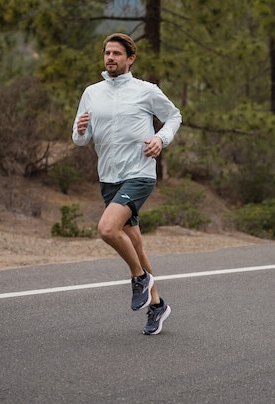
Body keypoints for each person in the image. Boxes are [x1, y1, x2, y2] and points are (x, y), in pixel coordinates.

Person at [72, 33, 181, 335]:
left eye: (117, 53)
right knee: (134, 242)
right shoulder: (92, 92)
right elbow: (80, 138)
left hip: (140, 173)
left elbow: (173, 116)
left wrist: (161, 138)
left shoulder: (146, 91)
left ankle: (139, 278)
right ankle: (157, 306)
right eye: (107, 53)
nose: (110, 58)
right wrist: (80, 130)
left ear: (130, 59)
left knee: (107, 229)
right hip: (108, 177)